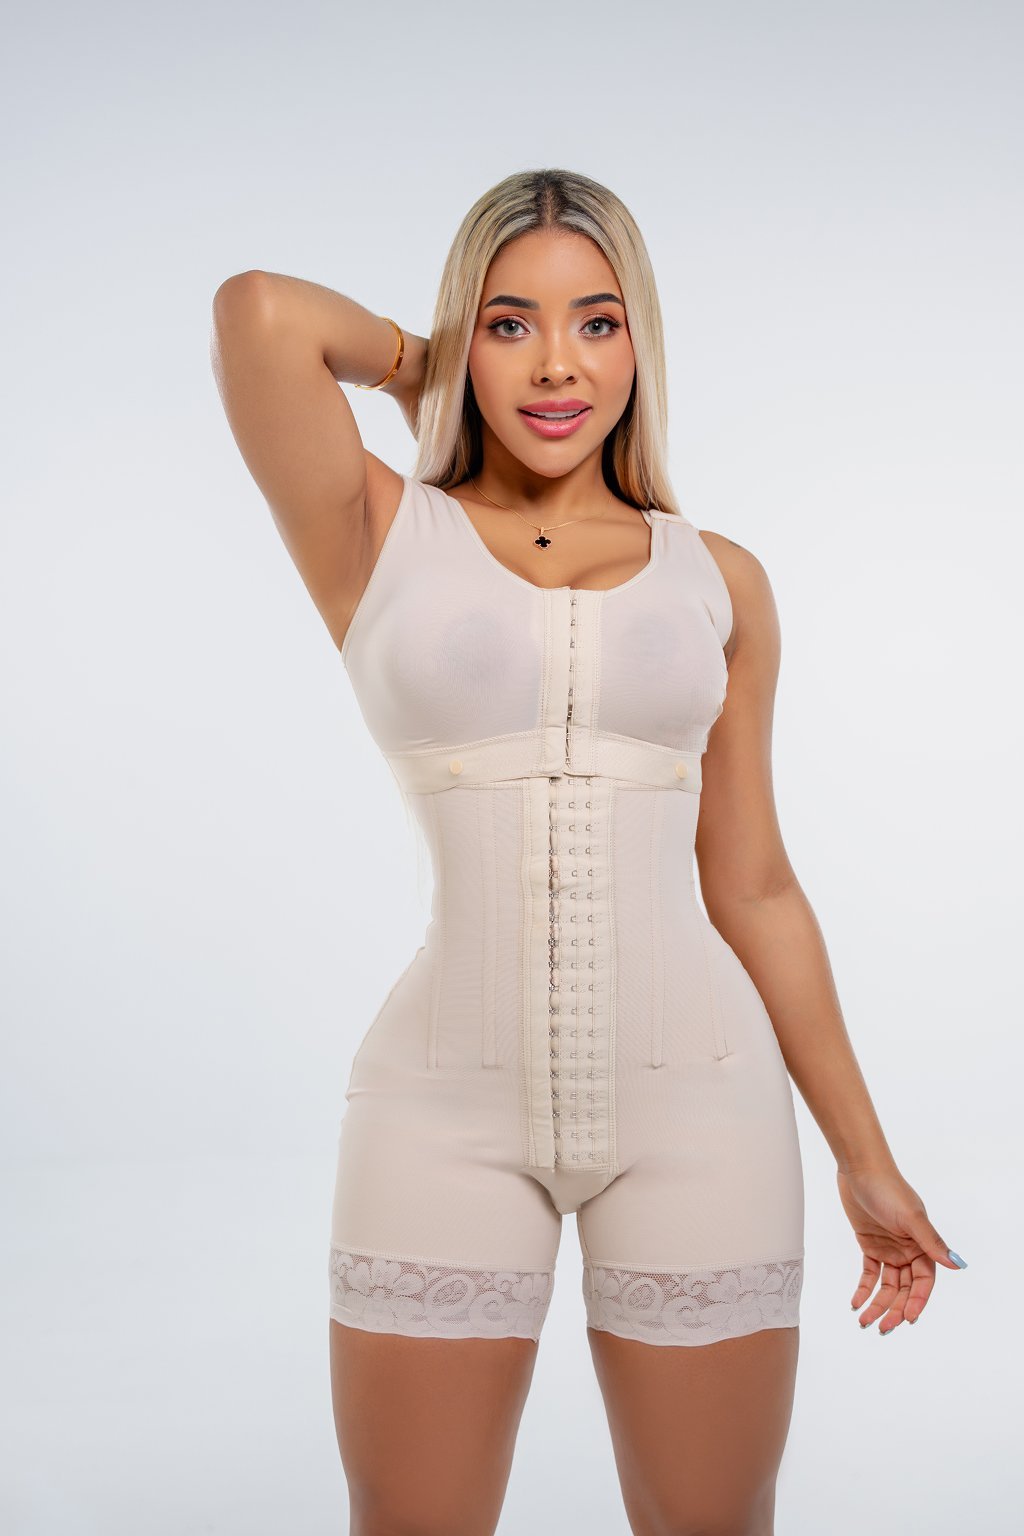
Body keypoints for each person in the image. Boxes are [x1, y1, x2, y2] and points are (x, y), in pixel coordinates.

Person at [210, 167, 967, 1536]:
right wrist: (433, 373)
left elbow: (755, 884)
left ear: (641, 341)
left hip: (707, 1113)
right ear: (467, 333)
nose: (558, 363)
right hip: (438, 1111)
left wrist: (866, 1155)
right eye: (513, 324)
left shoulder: (721, 578)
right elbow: (260, 314)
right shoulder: (378, 534)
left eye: (596, 323)